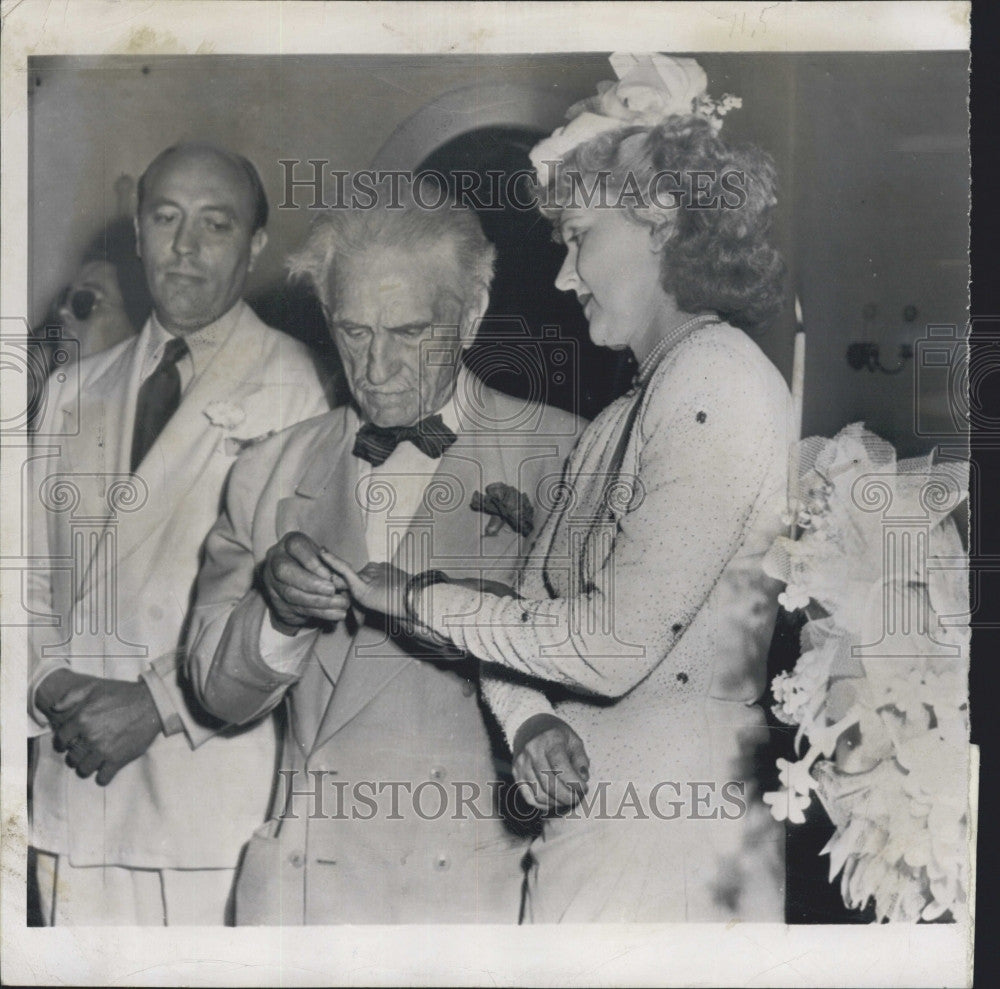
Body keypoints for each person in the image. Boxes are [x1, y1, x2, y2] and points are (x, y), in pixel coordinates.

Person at [326, 53, 794, 922]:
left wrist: (419, 597)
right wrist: (530, 724)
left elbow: (609, 646)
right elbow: (526, 610)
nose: (566, 275)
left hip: (680, 863)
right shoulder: (622, 413)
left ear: (660, 219)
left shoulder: (718, 380)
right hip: (588, 849)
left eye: (580, 237)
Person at [185, 191, 588, 924]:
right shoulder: (267, 469)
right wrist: (275, 612)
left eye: (409, 331)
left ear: (471, 313)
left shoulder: (567, 457)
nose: (377, 366)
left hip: (468, 904)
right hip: (303, 905)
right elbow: (215, 694)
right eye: (353, 331)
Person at [27, 141, 329, 925]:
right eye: (166, 218)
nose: (185, 247)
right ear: (137, 232)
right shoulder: (71, 391)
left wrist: (158, 705)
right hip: (69, 796)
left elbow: (299, 617)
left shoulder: (298, 385)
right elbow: (20, 577)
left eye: (215, 224)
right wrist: (48, 686)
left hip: (204, 807)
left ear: (255, 244)